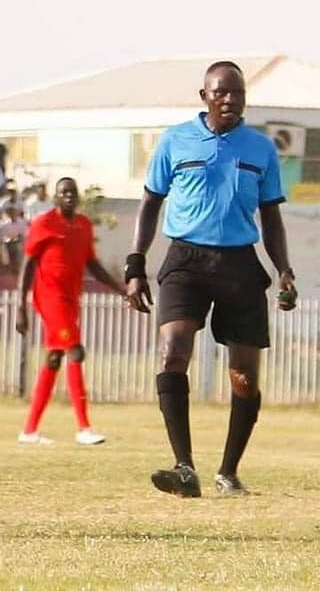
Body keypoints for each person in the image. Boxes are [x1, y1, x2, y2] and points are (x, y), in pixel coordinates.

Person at [125, 60, 298, 498]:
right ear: (204, 96)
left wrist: (283, 269)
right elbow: (150, 203)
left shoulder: (261, 149)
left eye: (237, 93)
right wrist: (135, 264)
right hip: (185, 258)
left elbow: (271, 216)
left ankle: (228, 472)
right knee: (173, 350)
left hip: (240, 262)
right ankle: (184, 468)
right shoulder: (175, 140)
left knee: (244, 375)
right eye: (221, 92)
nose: (230, 99)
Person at [16, 177, 128, 445]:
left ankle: (29, 431)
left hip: (70, 299)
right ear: (55, 197)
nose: (68, 196)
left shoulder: (83, 225)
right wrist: (20, 307)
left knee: (55, 357)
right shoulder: (44, 223)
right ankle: (84, 428)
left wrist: (120, 289)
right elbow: (28, 264)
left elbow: (92, 264)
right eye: (63, 192)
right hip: (49, 297)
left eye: (72, 192)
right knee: (75, 350)